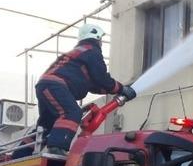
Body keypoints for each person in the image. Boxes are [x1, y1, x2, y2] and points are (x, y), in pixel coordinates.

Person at [36, 24, 136, 155]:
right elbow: (101, 78)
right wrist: (122, 88)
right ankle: (57, 148)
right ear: (97, 37)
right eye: (101, 39)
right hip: (56, 85)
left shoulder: (80, 53)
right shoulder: (92, 51)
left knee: (46, 124)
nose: (101, 43)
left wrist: (119, 90)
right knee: (71, 113)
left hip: (46, 85)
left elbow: (94, 85)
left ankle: (20, 153)